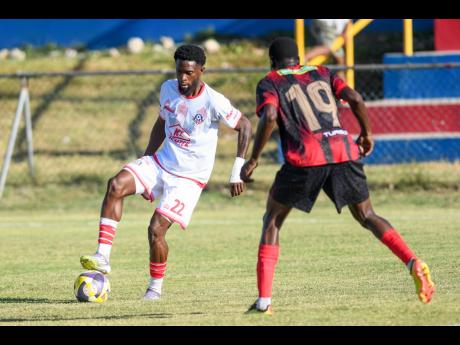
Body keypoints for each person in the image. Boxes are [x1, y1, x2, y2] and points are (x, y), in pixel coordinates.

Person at [241, 37, 435, 315]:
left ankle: (263, 303)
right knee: (367, 215)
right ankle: (413, 262)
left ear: (272, 62)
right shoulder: (322, 72)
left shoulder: (270, 82)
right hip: (343, 148)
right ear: (299, 59)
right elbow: (355, 98)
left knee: (272, 220)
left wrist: (254, 159)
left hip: (306, 157)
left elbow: (270, 115)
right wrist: (366, 133)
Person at [80, 44, 252, 300]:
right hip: (161, 163)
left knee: (155, 230)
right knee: (116, 185)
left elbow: (245, 125)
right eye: (180, 71)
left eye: (189, 73)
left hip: (189, 179)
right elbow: (162, 123)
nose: (183, 78)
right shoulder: (167, 89)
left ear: (201, 71)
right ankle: (103, 257)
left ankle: (154, 289)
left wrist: (236, 170)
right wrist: (146, 159)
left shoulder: (213, 101)